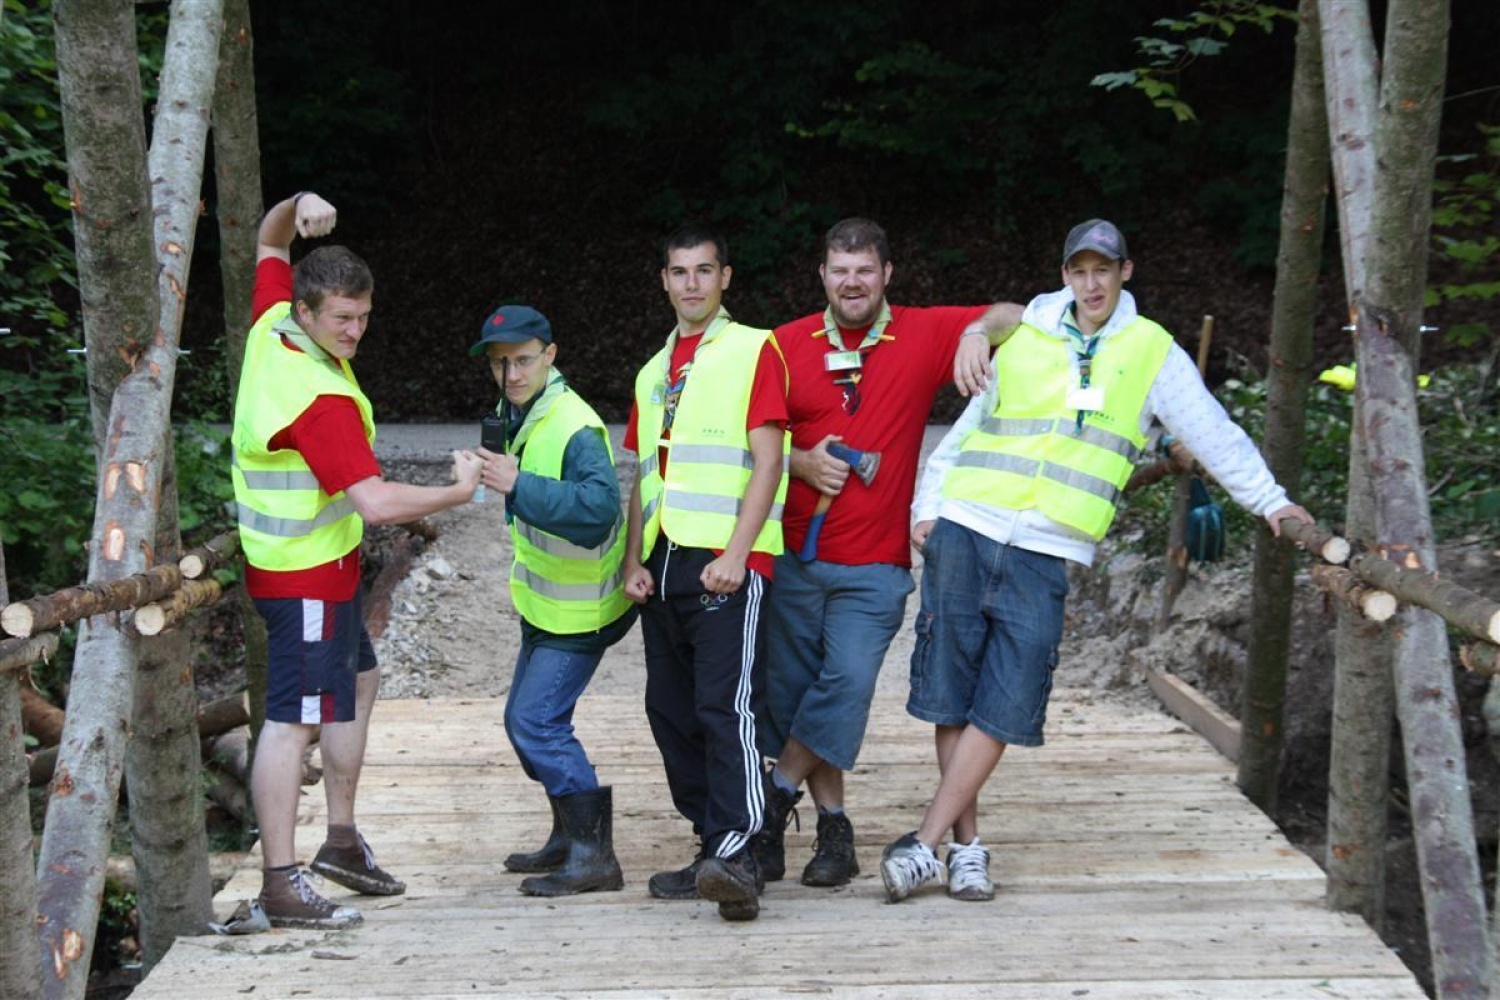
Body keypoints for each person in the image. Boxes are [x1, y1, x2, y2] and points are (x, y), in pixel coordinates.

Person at [881, 218, 1315, 903]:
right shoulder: (1027, 329)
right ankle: (965, 849)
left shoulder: (1151, 351)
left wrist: (1272, 502)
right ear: (1065, 275)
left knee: (1008, 699)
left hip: (1047, 548)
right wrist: (926, 508)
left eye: (1103, 271)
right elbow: (969, 431)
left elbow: (1214, 433)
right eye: (1079, 271)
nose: (1091, 284)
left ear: (1124, 272)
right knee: (953, 695)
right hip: (966, 525)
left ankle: (923, 842)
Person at [233, 192, 484, 929]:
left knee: (359, 680)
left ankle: (340, 842)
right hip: (303, 578)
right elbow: (374, 503)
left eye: (364, 317)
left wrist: (296, 204)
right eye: (342, 319)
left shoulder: (272, 325)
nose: (354, 331)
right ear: (307, 312)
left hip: (316, 568)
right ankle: (280, 884)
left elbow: (269, 244)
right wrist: (456, 492)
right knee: (292, 722)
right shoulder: (318, 399)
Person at [753, 218, 1022, 889]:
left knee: (845, 682)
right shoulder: (784, 345)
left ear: (886, 275)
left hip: (875, 566)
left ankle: (774, 796)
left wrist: (974, 331)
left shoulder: (922, 333)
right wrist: (800, 462)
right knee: (797, 696)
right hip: (795, 556)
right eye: (841, 271)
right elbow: (751, 445)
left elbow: (1020, 315)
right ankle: (833, 830)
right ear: (823, 275)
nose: (852, 283)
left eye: (865, 271)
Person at [622, 224, 790, 922]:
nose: (690, 283)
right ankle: (712, 846)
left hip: (726, 560)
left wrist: (738, 555)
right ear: (664, 281)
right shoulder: (653, 370)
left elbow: (769, 461)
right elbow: (644, 476)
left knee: (727, 709)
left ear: (725, 277)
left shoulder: (754, 348)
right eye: (678, 271)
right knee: (671, 711)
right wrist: (633, 559)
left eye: (703, 270)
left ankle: (742, 853)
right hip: (664, 564)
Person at [471, 304, 637, 897]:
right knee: (527, 724)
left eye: (522, 360)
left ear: (550, 355)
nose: (511, 374)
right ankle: (569, 837)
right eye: (500, 364)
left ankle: (595, 857)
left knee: (534, 723)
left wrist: (518, 484)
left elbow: (599, 511)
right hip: (546, 603)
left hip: (582, 609)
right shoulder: (517, 411)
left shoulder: (575, 424)